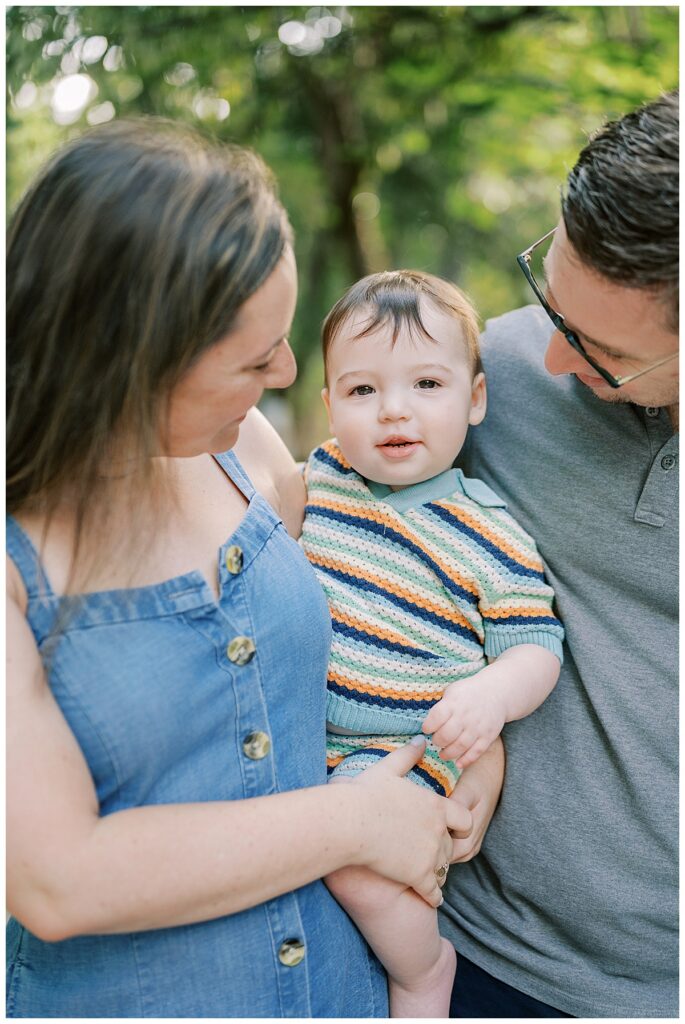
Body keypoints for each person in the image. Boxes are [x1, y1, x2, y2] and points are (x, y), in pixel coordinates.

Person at [5, 119, 500, 1018]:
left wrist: (477, 744)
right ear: (127, 362)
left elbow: (393, 604)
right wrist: (357, 822)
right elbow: (56, 881)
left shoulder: (249, 451)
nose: (283, 372)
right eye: (251, 357)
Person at [442, 91, 678, 1018]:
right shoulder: (479, 379)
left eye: (597, 348)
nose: (545, 359)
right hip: (487, 961)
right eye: (550, 298)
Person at [300, 270, 564, 1017]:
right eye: (360, 392)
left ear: (473, 399)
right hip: (307, 743)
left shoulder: (488, 528)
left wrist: (488, 695)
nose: (393, 411)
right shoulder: (320, 481)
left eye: (425, 384)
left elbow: (535, 643)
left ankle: (421, 973)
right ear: (328, 407)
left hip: (411, 750)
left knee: (353, 862)